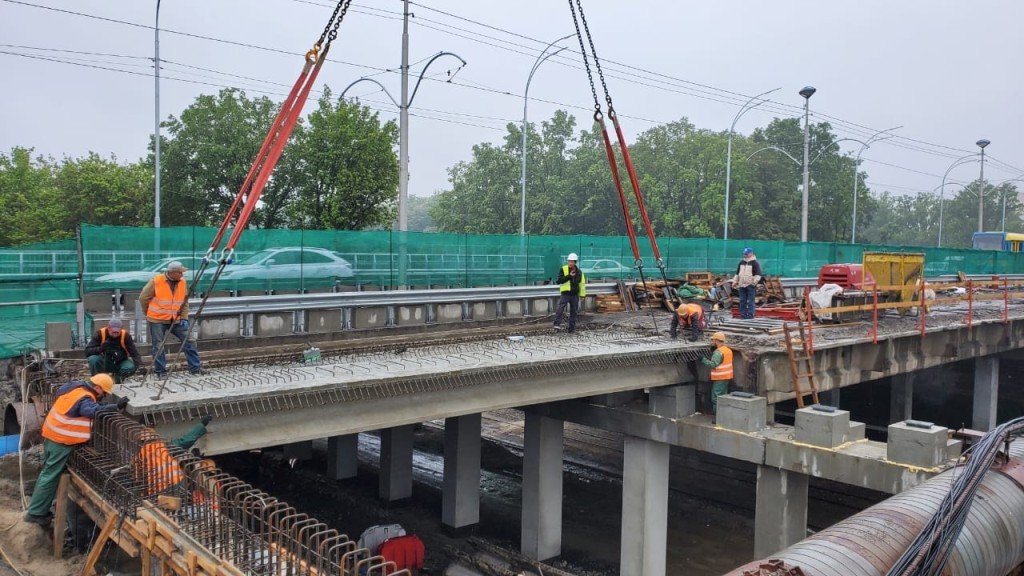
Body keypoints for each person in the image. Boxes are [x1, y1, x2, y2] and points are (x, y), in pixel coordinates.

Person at [24, 374, 127, 525]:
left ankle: (39, 507)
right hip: (60, 441)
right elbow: (91, 411)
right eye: (103, 393)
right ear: (97, 387)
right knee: (50, 475)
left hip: (51, 436)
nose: (102, 396)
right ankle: (36, 513)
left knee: (48, 472)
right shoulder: (85, 397)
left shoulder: (75, 388)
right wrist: (115, 407)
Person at [139, 260, 203, 376]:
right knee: (158, 345)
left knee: (189, 340)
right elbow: (143, 298)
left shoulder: (182, 282)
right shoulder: (157, 281)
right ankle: (160, 372)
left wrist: (184, 318)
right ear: (172, 272)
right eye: (180, 272)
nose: (182, 275)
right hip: (157, 320)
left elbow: (184, 301)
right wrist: (148, 313)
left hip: (176, 319)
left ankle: (195, 368)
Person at [136, 415, 213, 498]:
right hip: (178, 484)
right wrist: (202, 424)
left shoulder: (140, 455)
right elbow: (186, 440)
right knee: (180, 504)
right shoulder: (164, 446)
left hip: (160, 490)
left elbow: (138, 477)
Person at [84, 318, 145, 383]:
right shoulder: (100, 334)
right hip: (103, 362)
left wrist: (140, 365)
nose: (115, 334)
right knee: (93, 359)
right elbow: (87, 351)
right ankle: (98, 382)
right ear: (109, 328)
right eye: (113, 331)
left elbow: (134, 353)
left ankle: (115, 381)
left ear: (121, 329)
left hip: (119, 361)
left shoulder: (126, 336)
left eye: (117, 332)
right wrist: (101, 348)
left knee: (130, 367)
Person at [702, 332, 734, 418]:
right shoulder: (728, 350)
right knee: (724, 396)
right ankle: (724, 416)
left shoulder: (718, 352)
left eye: (713, 340)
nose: (712, 341)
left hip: (720, 378)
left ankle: (718, 417)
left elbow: (713, 364)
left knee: (716, 398)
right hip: (727, 377)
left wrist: (703, 359)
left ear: (716, 340)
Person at [553, 253, 586, 333]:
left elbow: (582, 284)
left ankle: (571, 328)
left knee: (574, 311)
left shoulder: (579, 272)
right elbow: (559, 281)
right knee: (560, 309)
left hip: (574, 295)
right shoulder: (563, 269)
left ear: (575, 262)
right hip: (565, 294)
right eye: (569, 261)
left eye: (572, 261)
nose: (570, 263)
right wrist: (569, 276)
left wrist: (582, 295)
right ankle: (557, 325)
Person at [732, 247, 762, 319]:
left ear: (751, 253)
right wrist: (735, 282)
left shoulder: (755, 263)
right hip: (742, 285)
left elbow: (758, 275)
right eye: (744, 254)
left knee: (751, 301)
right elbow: (737, 273)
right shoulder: (741, 262)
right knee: (742, 301)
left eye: (746, 253)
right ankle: (743, 315)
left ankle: (750, 316)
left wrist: (753, 283)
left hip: (750, 285)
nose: (745, 255)